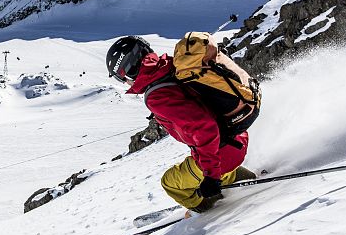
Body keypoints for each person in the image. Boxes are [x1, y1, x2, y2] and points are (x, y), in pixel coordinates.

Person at [106, 35, 255, 213]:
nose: (125, 83)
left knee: (170, 183)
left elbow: (204, 127)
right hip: (235, 137)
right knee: (201, 162)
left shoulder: (157, 96)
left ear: (129, 70)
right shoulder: (171, 65)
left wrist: (212, 177)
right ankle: (238, 178)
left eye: (121, 78)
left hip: (221, 151)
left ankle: (209, 211)